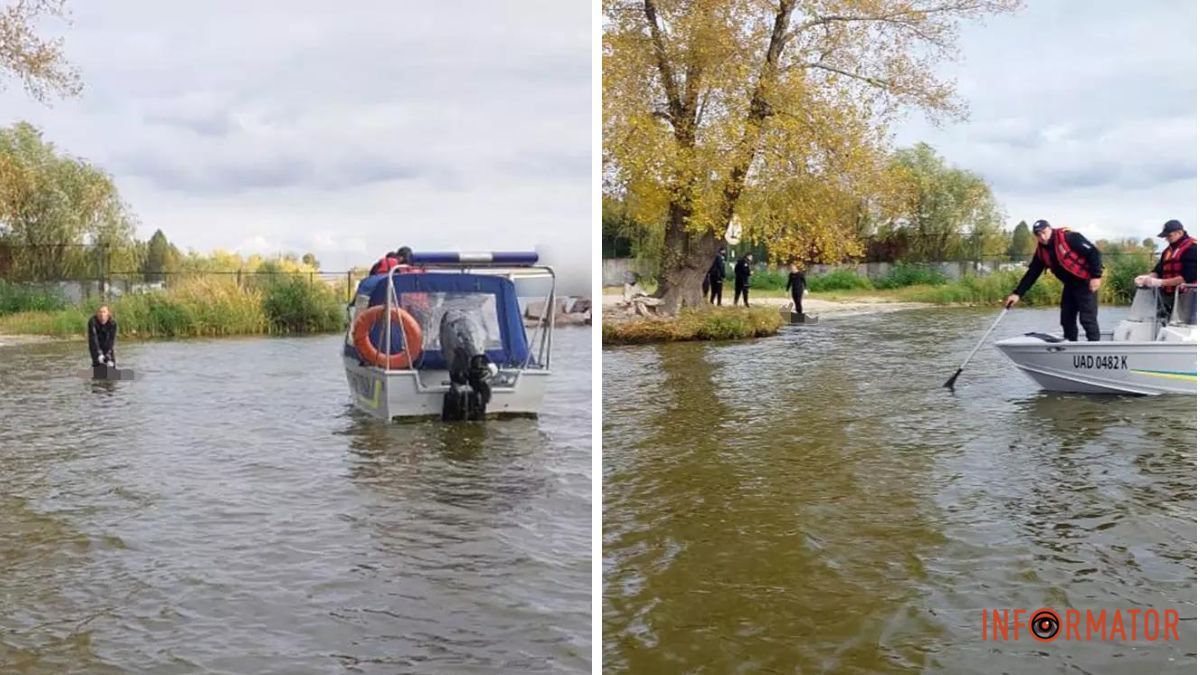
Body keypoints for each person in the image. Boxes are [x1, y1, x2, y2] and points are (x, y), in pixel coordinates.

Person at [1005, 219, 1104, 342]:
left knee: (1087, 319)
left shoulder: (1070, 237)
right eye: (1038, 235)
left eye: (1044, 232)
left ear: (1050, 229)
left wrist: (1096, 276)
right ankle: (1070, 346)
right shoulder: (1041, 252)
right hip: (1070, 286)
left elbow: (1094, 253)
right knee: (1066, 319)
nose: (1042, 237)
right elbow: (1032, 274)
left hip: (1086, 282)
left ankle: (1094, 348)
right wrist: (1017, 294)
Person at [1135, 219, 1196, 318]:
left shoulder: (1193, 248)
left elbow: (1187, 277)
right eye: (1165, 236)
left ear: (1179, 233)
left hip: (1190, 299)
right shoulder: (1167, 251)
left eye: (1169, 236)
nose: (1167, 239)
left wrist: (1159, 282)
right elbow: (1158, 270)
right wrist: (1146, 278)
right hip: (1169, 298)